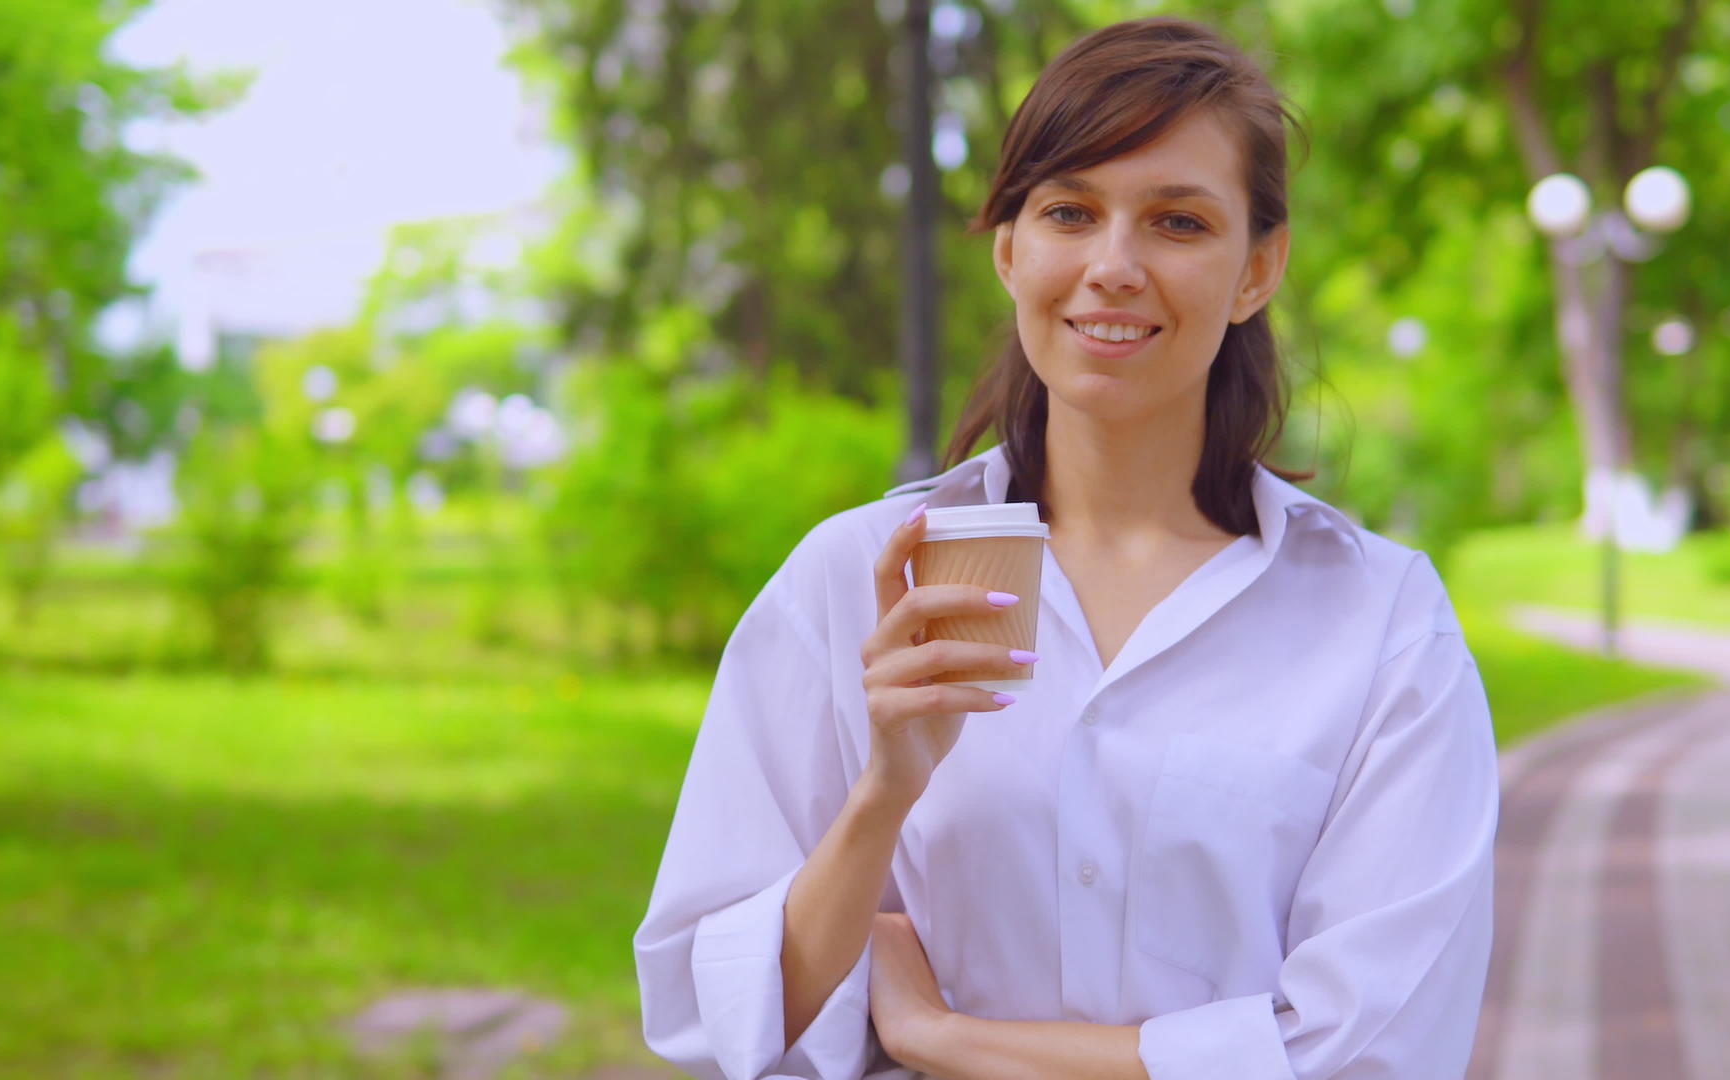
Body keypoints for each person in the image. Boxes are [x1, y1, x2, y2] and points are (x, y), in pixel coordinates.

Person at [634, 16, 1497, 1080]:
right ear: (1010, 250)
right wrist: (882, 796)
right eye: (1070, 213)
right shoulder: (852, 579)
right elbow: (708, 1012)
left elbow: (1371, 1050)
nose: (1114, 267)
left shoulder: (1379, 620)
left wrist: (942, 1039)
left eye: (1178, 223)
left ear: (1257, 270)